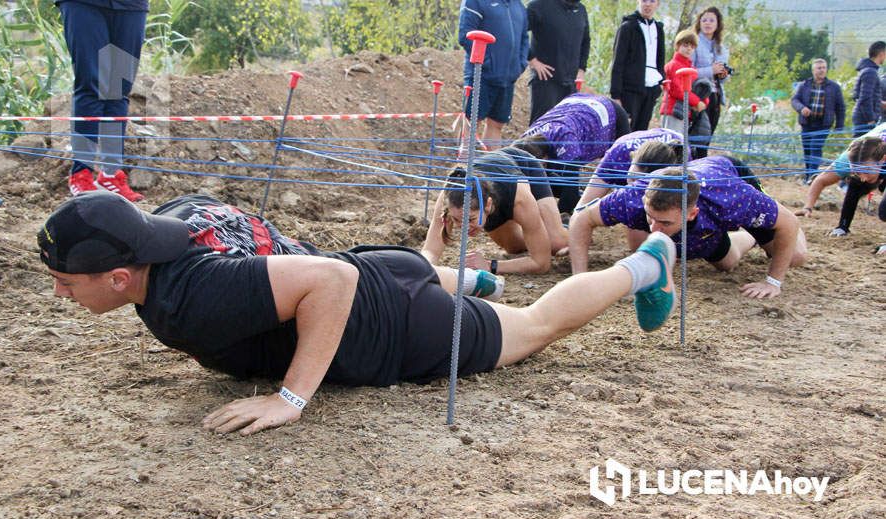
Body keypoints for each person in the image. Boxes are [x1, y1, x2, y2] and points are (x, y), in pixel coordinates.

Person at [39, 191, 678, 435]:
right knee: (408, 277)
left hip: (389, 321)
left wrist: (290, 398)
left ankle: (645, 264)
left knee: (538, 327)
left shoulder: (192, 296)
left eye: (67, 283)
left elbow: (331, 281)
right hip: (385, 266)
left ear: (120, 275)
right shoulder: (174, 219)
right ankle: (481, 280)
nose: (62, 295)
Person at [568, 155, 808, 298]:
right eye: (650, 218)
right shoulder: (630, 198)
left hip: (729, 174)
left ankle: (756, 228)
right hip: (699, 196)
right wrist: (579, 277)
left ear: (692, 213)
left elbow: (790, 223)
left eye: (665, 223)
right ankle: (746, 236)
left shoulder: (736, 198)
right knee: (727, 263)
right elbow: (581, 218)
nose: (654, 229)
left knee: (794, 255)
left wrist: (772, 282)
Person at [55, 0, 148, 201]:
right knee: (91, 84)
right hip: (84, 4)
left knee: (118, 89)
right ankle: (81, 174)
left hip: (131, 6)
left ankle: (111, 175)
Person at [421, 148, 568, 274]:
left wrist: (491, 265)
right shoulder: (450, 195)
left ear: (488, 205)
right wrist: (422, 268)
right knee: (514, 247)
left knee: (556, 243)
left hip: (523, 167)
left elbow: (542, 263)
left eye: (470, 220)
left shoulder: (520, 199)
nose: (464, 227)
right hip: (490, 190)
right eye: (457, 220)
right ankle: (537, 231)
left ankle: (568, 225)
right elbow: (431, 250)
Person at [513, 93, 632, 215]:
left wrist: (560, 217)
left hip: (608, 111)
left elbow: (570, 194)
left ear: (543, 159)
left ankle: (624, 205)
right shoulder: (526, 140)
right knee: (552, 178)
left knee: (622, 169)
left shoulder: (567, 142)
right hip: (576, 105)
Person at [458, 0, 529, 145]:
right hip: (480, 75)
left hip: (508, 78)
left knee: (496, 124)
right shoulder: (475, 2)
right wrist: (487, 62)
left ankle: (489, 167)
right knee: (471, 121)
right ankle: (463, 165)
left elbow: (524, 39)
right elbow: (465, 34)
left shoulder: (519, 6)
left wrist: (520, 65)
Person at [795, 128, 886, 236]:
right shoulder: (848, 160)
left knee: (884, 211)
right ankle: (843, 227)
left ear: (882, 160)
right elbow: (821, 180)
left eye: (866, 171)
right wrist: (807, 207)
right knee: (857, 184)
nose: (863, 178)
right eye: (857, 171)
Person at [572, 129, 684, 205]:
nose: (634, 185)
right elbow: (582, 206)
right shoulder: (615, 157)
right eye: (633, 179)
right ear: (633, 158)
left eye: (641, 183)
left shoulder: (681, 165)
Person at [525, 0, 590, 124]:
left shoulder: (581, 9)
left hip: (570, 83)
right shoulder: (538, 6)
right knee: (541, 128)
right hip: (545, 80)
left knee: (564, 128)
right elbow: (518, 30)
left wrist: (581, 68)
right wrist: (532, 60)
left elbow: (585, 41)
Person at [610, 0, 665, 132]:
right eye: (644, 0)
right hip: (630, 89)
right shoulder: (628, 27)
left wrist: (661, 81)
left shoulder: (658, 28)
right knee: (625, 130)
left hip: (651, 88)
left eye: (652, 1)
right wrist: (616, 95)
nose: (648, 5)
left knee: (641, 131)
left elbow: (660, 58)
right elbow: (618, 61)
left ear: (657, 4)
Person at [791, 59, 846, 184]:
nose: (822, 70)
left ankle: (812, 177)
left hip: (823, 124)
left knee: (815, 147)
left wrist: (839, 126)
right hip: (807, 123)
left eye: (824, 67)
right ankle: (808, 175)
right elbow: (795, 100)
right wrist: (802, 108)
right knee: (807, 150)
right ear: (813, 70)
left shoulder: (834, 87)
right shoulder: (804, 85)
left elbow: (840, 107)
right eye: (819, 68)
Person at [691, 6, 730, 154]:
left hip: (716, 96)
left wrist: (723, 74)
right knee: (697, 139)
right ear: (699, 22)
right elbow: (689, 72)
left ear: (718, 24)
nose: (708, 23)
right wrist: (710, 70)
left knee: (708, 138)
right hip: (699, 96)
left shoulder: (721, 48)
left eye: (711, 20)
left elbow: (724, 78)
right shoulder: (693, 43)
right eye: (704, 20)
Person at [659, 29, 707, 135]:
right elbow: (677, 90)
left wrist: (704, 101)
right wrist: (697, 102)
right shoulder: (673, 65)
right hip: (672, 111)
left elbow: (696, 88)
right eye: (685, 45)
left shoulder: (691, 68)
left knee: (681, 146)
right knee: (671, 144)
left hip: (685, 112)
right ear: (678, 45)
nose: (689, 49)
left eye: (692, 46)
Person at [852, 41, 886, 137]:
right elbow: (865, 98)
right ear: (881, 54)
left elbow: (858, 96)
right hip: (865, 120)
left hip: (863, 116)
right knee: (863, 150)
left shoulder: (868, 70)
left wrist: (880, 103)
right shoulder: (870, 72)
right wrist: (870, 119)